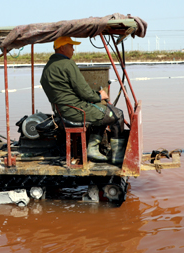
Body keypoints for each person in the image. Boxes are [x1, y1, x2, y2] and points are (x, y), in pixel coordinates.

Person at [40, 36, 125, 164]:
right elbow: (84, 92)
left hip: (62, 112)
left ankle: (93, 149)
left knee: (103, 112)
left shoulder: (47, 68)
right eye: (71, 46)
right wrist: (99, 96)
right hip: (76, 111)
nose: (73, 50)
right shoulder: (68, 64)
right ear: (62, 48)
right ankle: (117, 157)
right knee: (117, 114)